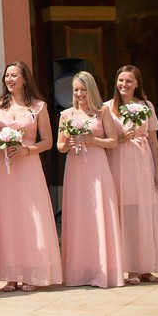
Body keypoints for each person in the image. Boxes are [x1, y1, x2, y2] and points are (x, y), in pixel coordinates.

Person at [0, 61, 62, 292]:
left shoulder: (38, 107)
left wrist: (27, 150)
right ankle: (10, 274)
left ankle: (31, 273)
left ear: (25, 79)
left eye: (14, 75)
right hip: (2, 168)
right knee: (7, 219)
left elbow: (47, 141)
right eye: (6, 75)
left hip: (28, 167)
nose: (9, 79)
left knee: (29, 218)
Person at [56, 71, 124, 288]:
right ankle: (79, 272)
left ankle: (103, 270)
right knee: (79, 215)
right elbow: (59, 146)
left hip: (96, 166)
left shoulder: (102, 112)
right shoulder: (66, 115)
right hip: (75, 168)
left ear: (91, 89)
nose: (79, 94)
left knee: (99, 214)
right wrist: (68, 144)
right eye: (76, 90)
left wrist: (92, 140)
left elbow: (113, 141)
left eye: (83, 90)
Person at [105, 64, 158, 284]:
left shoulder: (146, 106)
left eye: (129, 81)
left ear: (137, 83)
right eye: (121, 80)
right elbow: (106, 140)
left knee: (144, 212)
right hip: (119, 161)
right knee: (124, 214)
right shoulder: (108, 107)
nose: (124, 85)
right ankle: (130, 268)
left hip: (142, 161)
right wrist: (121, 138)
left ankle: (145, 265)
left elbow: (153, 139)